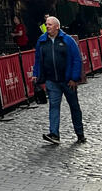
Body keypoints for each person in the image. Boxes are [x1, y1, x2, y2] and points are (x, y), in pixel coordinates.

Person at [31, 15, 85, 144]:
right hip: (51, 80)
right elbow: (38, 59)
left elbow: (77, 59)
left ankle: (80, 133)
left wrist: (74, 78)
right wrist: (35, 73)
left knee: (74, 107)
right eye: (46, 24)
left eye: (49, 24)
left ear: (57, 26)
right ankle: (54, 134)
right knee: (54, 106)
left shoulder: (68, 40)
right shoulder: (42, 40)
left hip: (67, 81)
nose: (47, 26)